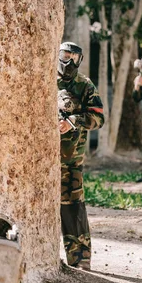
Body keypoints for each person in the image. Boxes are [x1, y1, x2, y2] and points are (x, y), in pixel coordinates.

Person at [57, 42, 105, 270]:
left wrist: (72, 121)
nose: (67, 61)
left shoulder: (84, 85)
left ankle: (80, 259)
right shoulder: (42, 79)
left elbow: (98, 118)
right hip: (40, 160)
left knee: (72, 207)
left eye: (72, 57)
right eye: (64, 56)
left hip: (70, 159)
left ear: (79, 60)